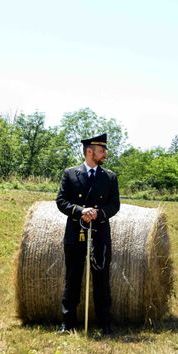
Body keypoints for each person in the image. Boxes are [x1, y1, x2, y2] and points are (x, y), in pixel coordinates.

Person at [56, 133, 120, 334]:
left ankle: (105, 324)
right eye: (102, 150)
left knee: (101, 279)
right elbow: (61, 201)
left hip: (100, 234)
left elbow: (114, 205)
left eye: (105, 150)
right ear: (89, 151)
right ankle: (68, 323)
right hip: (76, 234)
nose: (105, 154)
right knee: (72, 278)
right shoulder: (70, 174)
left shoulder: (109, 177)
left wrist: (98, 213)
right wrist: (80, 211)